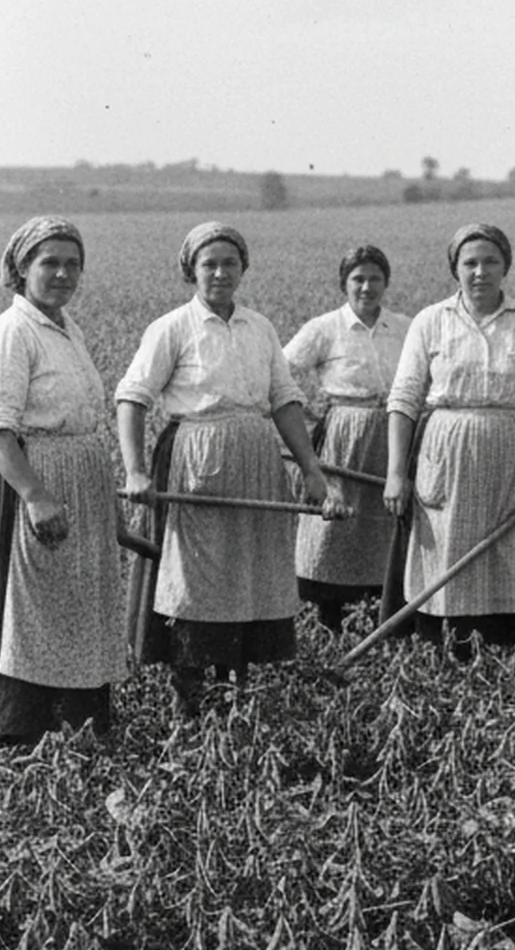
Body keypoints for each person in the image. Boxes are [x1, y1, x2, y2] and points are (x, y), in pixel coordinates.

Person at [116, 222, 342, 717]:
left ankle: (236, 694)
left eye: (230, 263)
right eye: (209, 264)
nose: (220, 273)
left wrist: (311, 470)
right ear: (190, 270)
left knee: (249, 575)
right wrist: (136, 471)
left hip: (257, 462)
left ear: (243, 268)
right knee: (197, 581)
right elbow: (132, 399)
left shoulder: (259, 327)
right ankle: (191, 700)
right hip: (196, 461)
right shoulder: (172, 327)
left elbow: (284, 401)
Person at [0, 217, 126, 744]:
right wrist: (36, 495)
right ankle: (23, 733)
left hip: (77, 478)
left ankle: (78, 728)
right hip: (31, 480)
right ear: (22, 268)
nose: (63, 273)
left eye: (73, 264)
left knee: (75, 603)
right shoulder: (11, 333)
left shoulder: (66, 327)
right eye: (49, 262)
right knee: (30, 611)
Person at [382, 223, 515, 654]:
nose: (480, 272)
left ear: (506, 267)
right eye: (470, 263)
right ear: (455, 269)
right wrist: (396, 473)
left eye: (490, 262)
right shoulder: (431, 321)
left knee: (513, 552)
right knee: (447, 551)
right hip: (447, 455)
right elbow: (404, 399)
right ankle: (447, 646)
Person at [282, 246, 411, 633]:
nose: (367, 287)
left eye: (374, 278)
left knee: (384, 523)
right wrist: (309, 420)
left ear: (386, 282)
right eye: (358, 279)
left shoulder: (405, 327)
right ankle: (330, 622)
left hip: (393, 431)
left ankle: (381, 616)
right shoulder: (323, 328)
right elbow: (279, 375)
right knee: (336, 524)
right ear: (344, 284)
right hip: (344, 435)